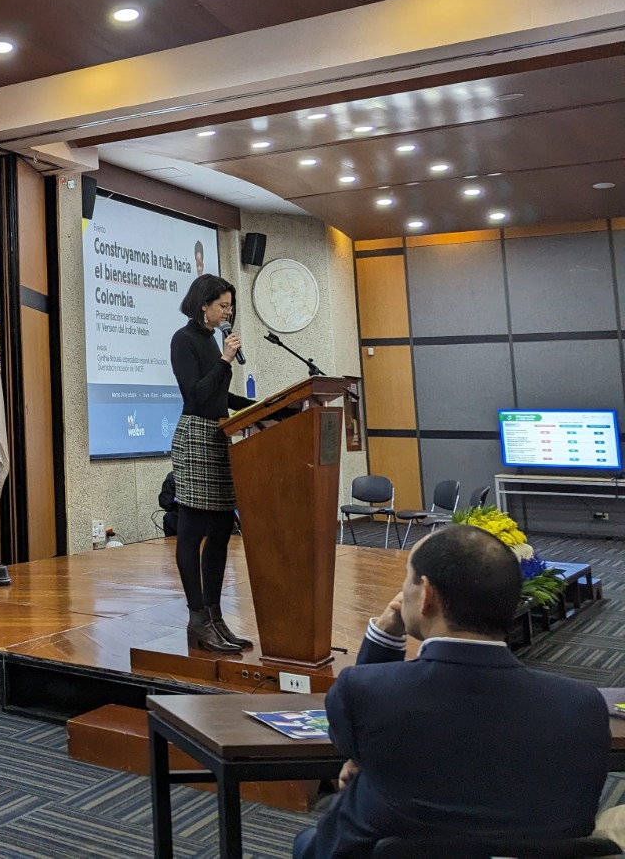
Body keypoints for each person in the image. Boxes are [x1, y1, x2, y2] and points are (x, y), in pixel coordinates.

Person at [294, 525, 608, 859]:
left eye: (407, 578)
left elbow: (362, 732)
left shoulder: (365, 694)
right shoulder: (583, 706)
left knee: (308, 839)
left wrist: (385, 634)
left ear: (426, 593)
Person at [168, 274, 253, 653]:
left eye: (230, 306)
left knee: (220, 530)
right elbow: (197, 395)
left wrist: (261, 408)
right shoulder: (184, 340)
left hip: (219, 436)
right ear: (204, 304)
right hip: (196, 438)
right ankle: (196, 617)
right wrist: (225, 359)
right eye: (223, 305)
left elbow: (220, 396)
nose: (227, 312)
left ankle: (215, 616)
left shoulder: (211, 341)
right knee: (192, 530)